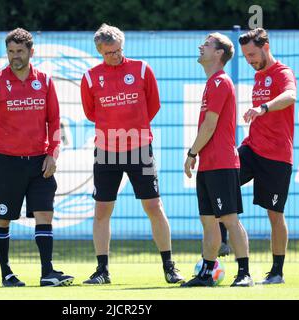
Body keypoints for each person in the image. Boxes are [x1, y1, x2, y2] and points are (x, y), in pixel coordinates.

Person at [80, 23, 184, 285]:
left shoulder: (141, 69)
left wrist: (133, 128)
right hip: (106, 149)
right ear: (99, 51)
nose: (114, 56)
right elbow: (91, 112)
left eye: (117, 51)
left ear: (122, 46)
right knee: (102, 210)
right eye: (108, 53)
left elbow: (153, 104)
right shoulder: (91, 77)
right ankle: (102, 270)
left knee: (153, 206)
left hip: (140, 147)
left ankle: (169, 266)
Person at [0, 28, 74, 287]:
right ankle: (6, 273)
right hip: (7, 162)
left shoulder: (46, 81)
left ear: (31, 51)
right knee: (3, 217)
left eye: (19, 51)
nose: (14, 56)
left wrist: (53, 154)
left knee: (44, 213)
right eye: (10, 52)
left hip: (40, 161)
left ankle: (47, 273)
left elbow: (54, 122)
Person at [181, 33, 253, 287]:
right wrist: (196, 157)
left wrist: (191, 154)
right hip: (209, 164)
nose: (201, 46)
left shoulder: (221, 82)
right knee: (208, 221)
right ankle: (206, 273)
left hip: (222, 163)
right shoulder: (211, 83)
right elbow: (208, 127)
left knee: (230, 220)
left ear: (219, 53)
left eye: (207, 44)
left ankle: (244, 273)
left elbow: (210, 125)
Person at [238, 28, 297, 285]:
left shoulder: (282, 73)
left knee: (274, 214)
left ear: (266, 47)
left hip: (277, 155)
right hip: (252, 148)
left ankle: (277, 272)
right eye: (245, 56)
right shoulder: (258, 76)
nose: (249, 60)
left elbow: (290, 96)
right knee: (220, 179)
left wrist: (263, 107)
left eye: (252, 54)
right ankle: (224, 240)